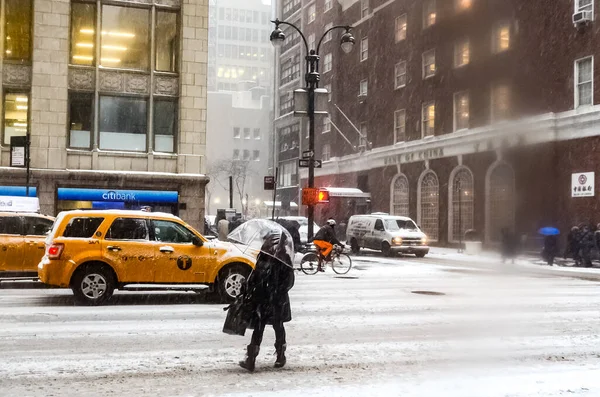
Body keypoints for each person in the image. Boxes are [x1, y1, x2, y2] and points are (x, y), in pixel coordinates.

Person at [238, 230, 295, 372]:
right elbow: (288, 282)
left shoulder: (272, 257)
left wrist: (273, 289)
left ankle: (255, 357)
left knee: (265, 326)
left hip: (268, 298)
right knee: (274, 325)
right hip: (271, 298)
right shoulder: (276, 257)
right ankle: (273, 357)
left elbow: (287, 281)